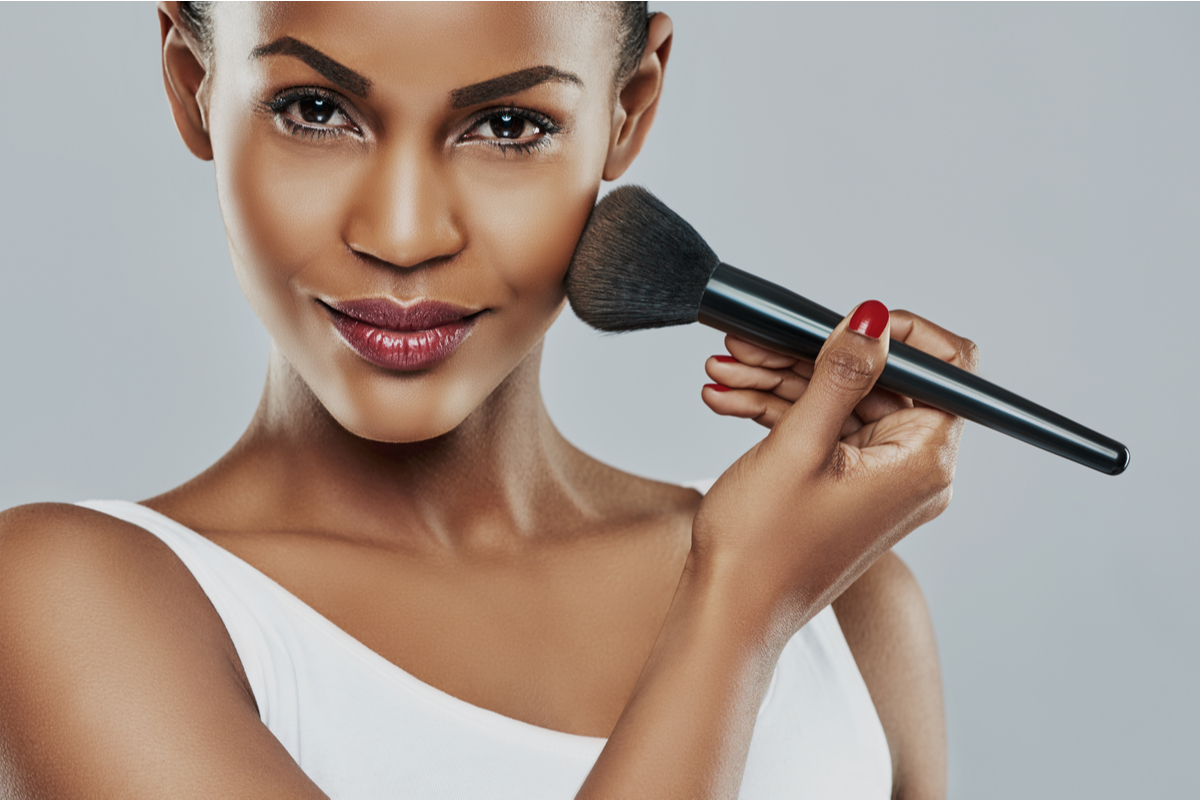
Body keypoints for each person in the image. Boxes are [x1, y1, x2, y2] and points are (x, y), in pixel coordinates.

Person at [0, 3, 978, 798]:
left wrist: (770, 582)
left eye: (509, 126)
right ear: (192, 83)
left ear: (628, 111)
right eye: (313, 109)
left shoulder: (847, 604)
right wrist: (738, 607)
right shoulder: (61, 600)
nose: (404, 231)